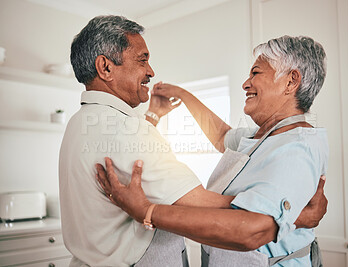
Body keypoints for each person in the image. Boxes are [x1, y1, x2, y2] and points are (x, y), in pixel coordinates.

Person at [59, 14, 326, 267]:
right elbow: (221, 139)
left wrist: (146, 211)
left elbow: (250, 227)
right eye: (142, 60)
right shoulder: (257, 137)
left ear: (291, 82)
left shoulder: (80, 122)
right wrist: (294, 216)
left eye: (255, 73)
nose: (246, 83)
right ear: (105, 67)